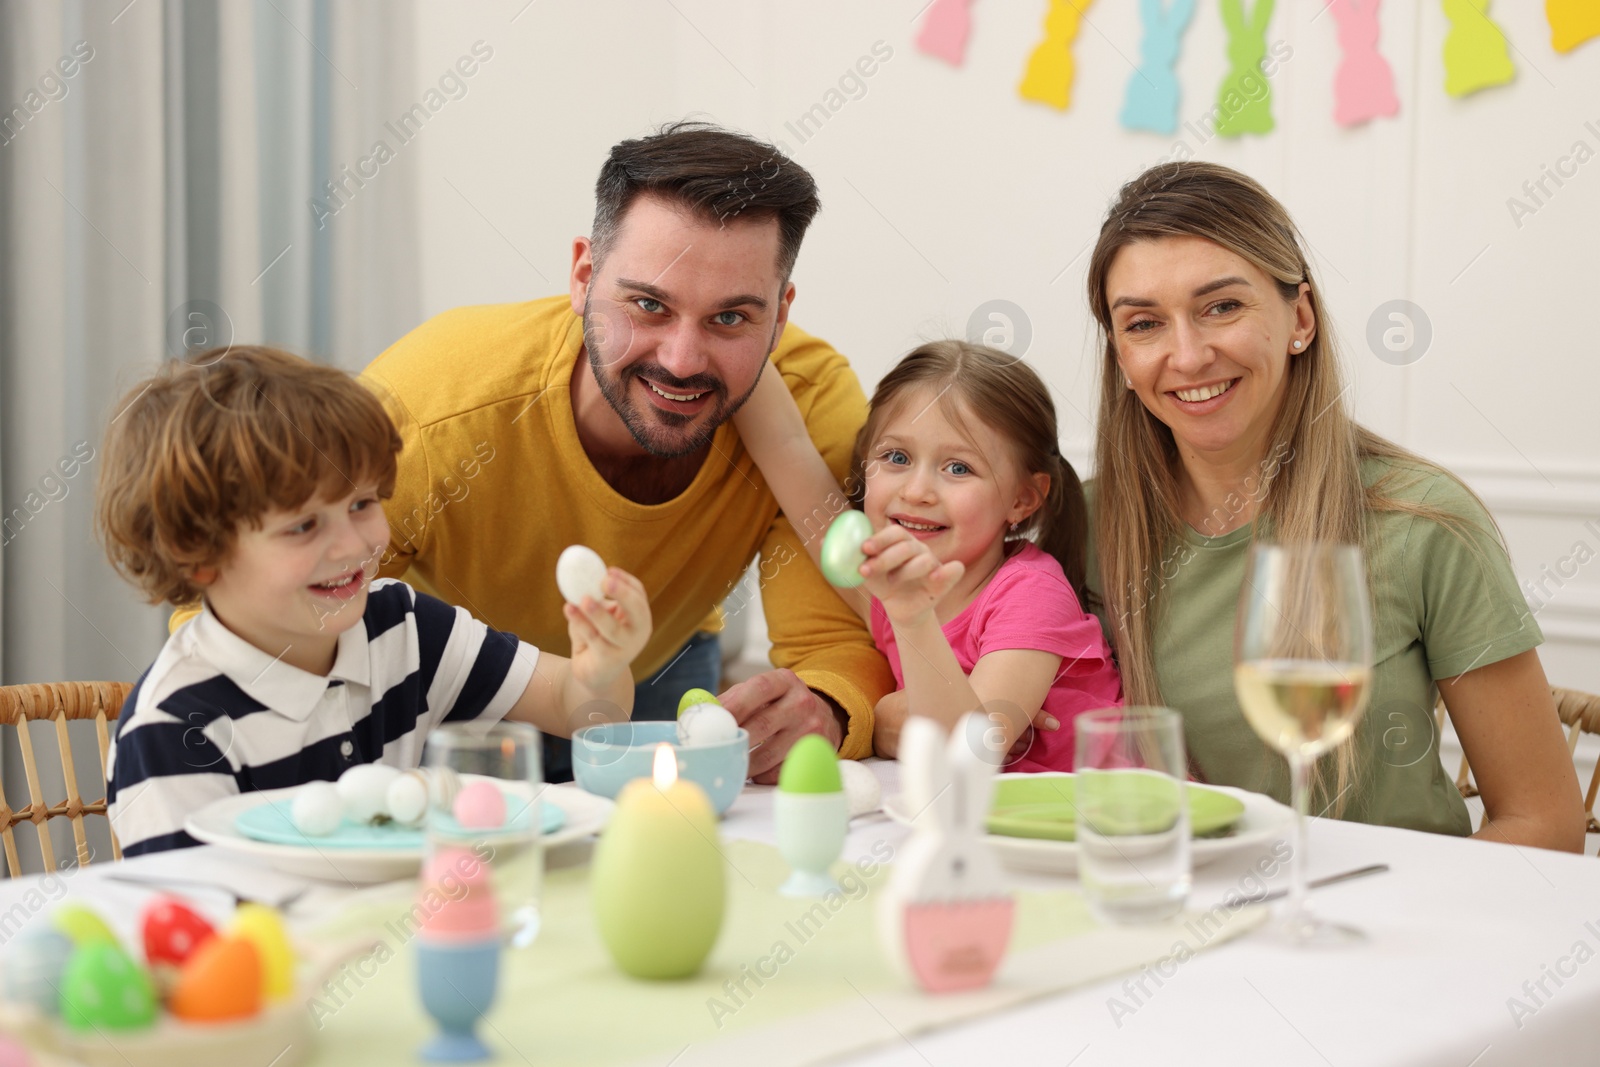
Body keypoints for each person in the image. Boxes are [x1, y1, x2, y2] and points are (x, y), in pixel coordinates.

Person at [360, 121, 892, 783]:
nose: (681, 360)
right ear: (584, 276)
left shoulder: (809, 402)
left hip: (657, 670)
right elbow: (264, 615)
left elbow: (840, 637)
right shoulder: (432, 409)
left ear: (780, 317)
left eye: (730, 318)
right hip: (449, 696)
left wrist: (830, 706)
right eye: (648, 304)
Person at [1082, 161, 1583, 850]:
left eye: (1222, 306)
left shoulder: (1423, 522)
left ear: (1300, 317)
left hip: (1390, 934)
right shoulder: (1079, 527)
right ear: (1120, 355)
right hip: (1176, 922)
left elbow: (1545, 822)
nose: (1188, 354)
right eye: (1144, 324)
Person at [98, 348, 651, 855]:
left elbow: (585, 712)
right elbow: (196, 944)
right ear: (199, 555)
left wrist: (600, 667)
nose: (355, 544)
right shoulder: (172, 730)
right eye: (305, 525)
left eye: (362, 503)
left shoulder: (402, 626)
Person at [733, 340, 1122, 768]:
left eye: (958, 468)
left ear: (1023, 499)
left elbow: (969, 750)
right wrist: (731, 329)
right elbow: (784, 446)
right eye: (896, 457)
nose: (916, 492)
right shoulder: (883, 582)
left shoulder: (1030, 593)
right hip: (994, 821)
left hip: (1116, 820)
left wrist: (910, 618)